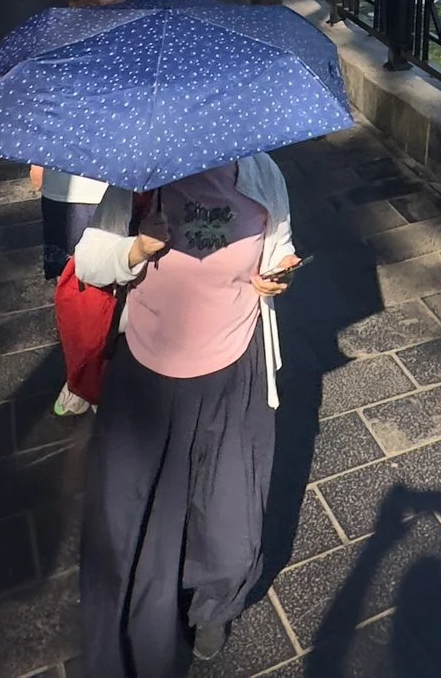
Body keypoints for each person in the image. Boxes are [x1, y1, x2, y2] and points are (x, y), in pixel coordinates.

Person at [75, 154, 302, 674]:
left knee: (227, 507)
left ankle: (214, 603)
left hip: (234, 364)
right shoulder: (138, 178)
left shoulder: (264, 174)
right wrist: (136, 248)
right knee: (139, 515)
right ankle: (137, 624)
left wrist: (275, 275)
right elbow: (88, 261)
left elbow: (281, 247)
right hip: (150, 370)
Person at [36, 0, 134, 415]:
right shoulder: (50, 46)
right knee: (75, 283)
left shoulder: (140, 44)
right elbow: (37, 111)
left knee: (124, 279)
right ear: (73, 1)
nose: (106, 14)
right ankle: (81, 372)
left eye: (117, 2)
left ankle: (117, 366)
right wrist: (37, 160)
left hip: (122, 183)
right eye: (96, 4)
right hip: (69, 186)